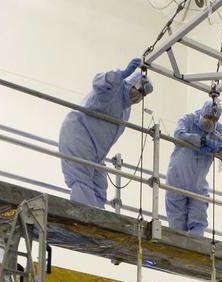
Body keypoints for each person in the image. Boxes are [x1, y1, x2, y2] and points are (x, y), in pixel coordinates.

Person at [58, 59, 153, 208]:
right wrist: (120, 75)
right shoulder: (113, 90)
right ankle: (83, 222)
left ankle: (98, 222)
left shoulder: (125, 110)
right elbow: (99, 82)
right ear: (130, 83)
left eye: (143, 94)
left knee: (99, 185)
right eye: (139, 90)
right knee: (82, 180)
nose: (139, 96)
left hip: (97, 151)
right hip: (79, 135)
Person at [166, 99, 222, 236]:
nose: (211, 121)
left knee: (199, 220)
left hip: (198, 183)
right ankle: (178, 250)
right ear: (202, 112)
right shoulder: (188, 119)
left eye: (215, 119)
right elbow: (178, 134)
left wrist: (217, 147)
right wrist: (201, 141)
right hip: (178, 177)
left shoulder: (219, 130)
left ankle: (193, 251)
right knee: (176, 221)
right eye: (208, 117)